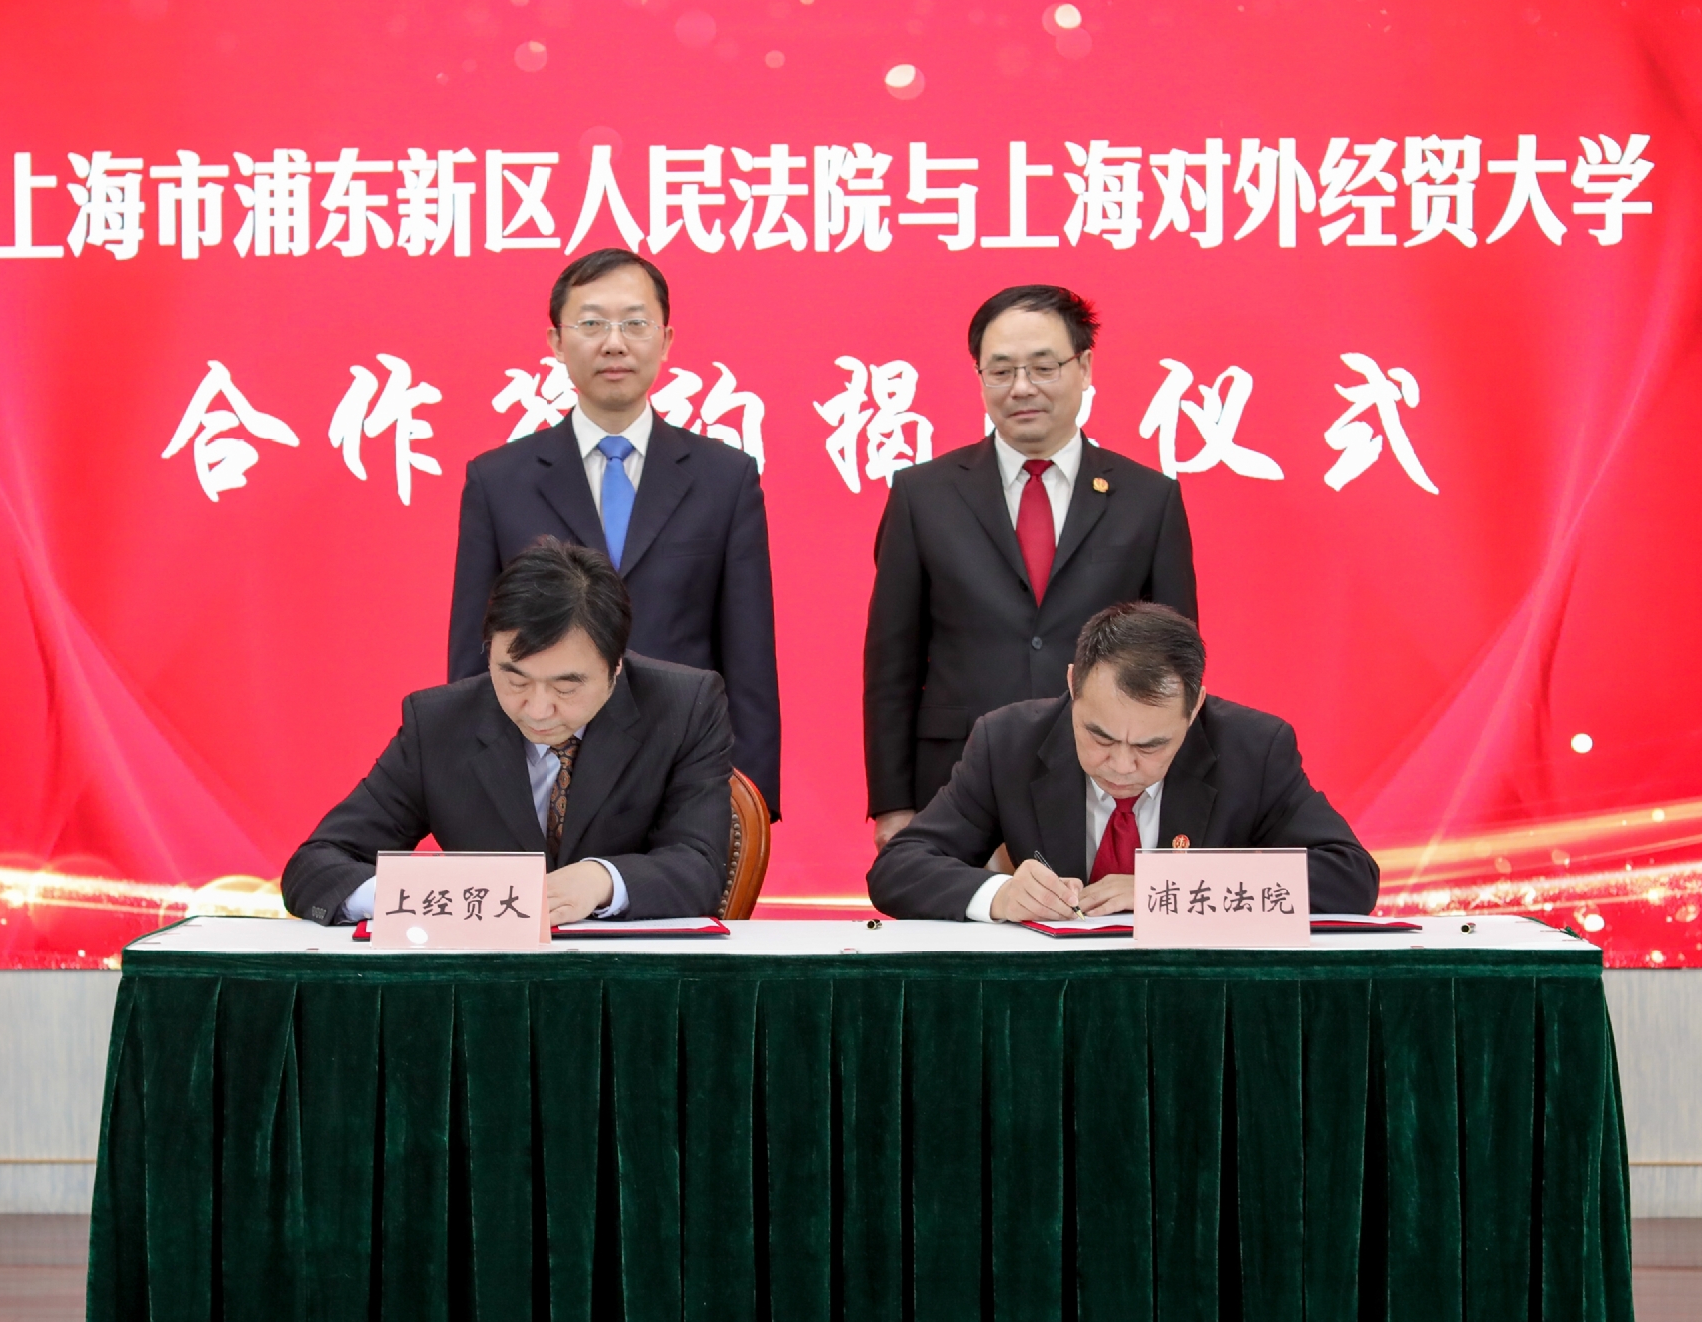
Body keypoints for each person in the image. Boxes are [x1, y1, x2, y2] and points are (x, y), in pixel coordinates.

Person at [446, 248, 782, 818]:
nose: (614, 343)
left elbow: (749, 660)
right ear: (556, 341)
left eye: (634, 323)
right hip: (541, 775)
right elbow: (473, 658)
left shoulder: (725, 479)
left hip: (681, 774)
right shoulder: (498, 481)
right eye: (592, 323)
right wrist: (474, 792)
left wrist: (752, 803)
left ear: (666, 339)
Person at [863, 284, 1197, 851]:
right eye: (1001, 371)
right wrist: (893, 806)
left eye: (1043, 367)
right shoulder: (923, 495)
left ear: (1084, 367)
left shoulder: (1148, 499)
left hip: (1105, 783)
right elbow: (891, 662)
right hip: (954, 784)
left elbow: (1174, 666)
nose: (1022, 387)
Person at [286, 539, 735, 926]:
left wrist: (602, 880)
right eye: (515, 680)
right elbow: (316, 866)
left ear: (616, 667)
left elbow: (698, 868)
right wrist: (425, 898)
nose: (538, 710)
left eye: (566, 686)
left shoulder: (684, 707)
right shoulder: (439, 723)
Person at [867, 602, 1377, 922]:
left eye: (1151, 746)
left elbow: (1350, 877)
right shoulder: (1007, 741)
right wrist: (1000, 895)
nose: (1122, 765)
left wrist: (1166, 891)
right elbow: (899, 868)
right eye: (1099, 736)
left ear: (1195, 708)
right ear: (1072, 685)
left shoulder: (1254, 748)